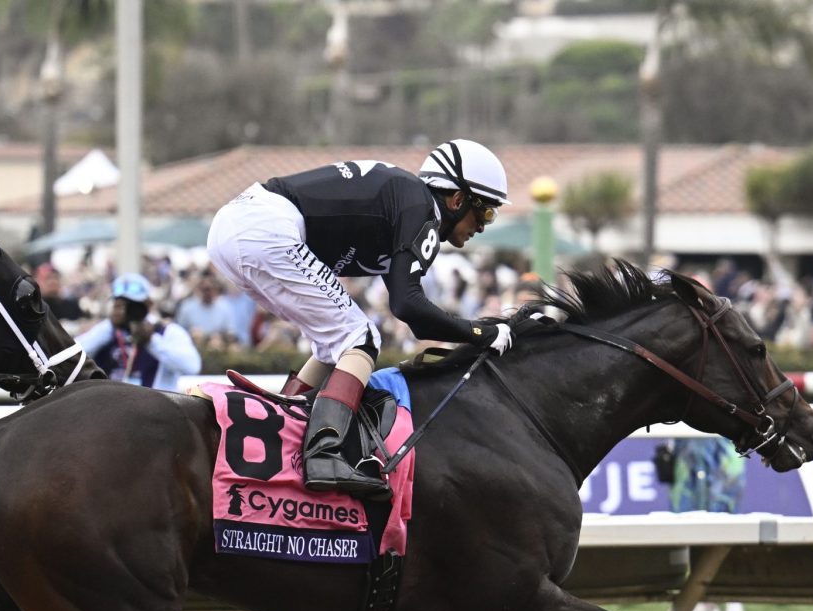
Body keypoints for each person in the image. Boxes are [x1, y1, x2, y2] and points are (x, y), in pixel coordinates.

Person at [207, 139, 521, 497]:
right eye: (486, 212)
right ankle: (323, 453)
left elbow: (410, 311)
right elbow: (409, 307)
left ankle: (283, 426)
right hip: (262, 228)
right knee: (361, 338)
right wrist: (480, 331)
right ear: (457, 199)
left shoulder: (410, 205)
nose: (483, 225)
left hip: (240, 228)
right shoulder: (421, 209)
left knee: (337, 344)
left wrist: (473, 330)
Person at [78, 273, 200, 391]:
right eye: (119, 304)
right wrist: (110, 326)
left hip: (157, 407)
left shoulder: (168, 332)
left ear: (148, 304)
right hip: (112, 406)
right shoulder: (107, 330)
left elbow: (193, 366)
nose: (125, 311)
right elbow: (75, 355)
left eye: (132, 305)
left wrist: (151, 341)